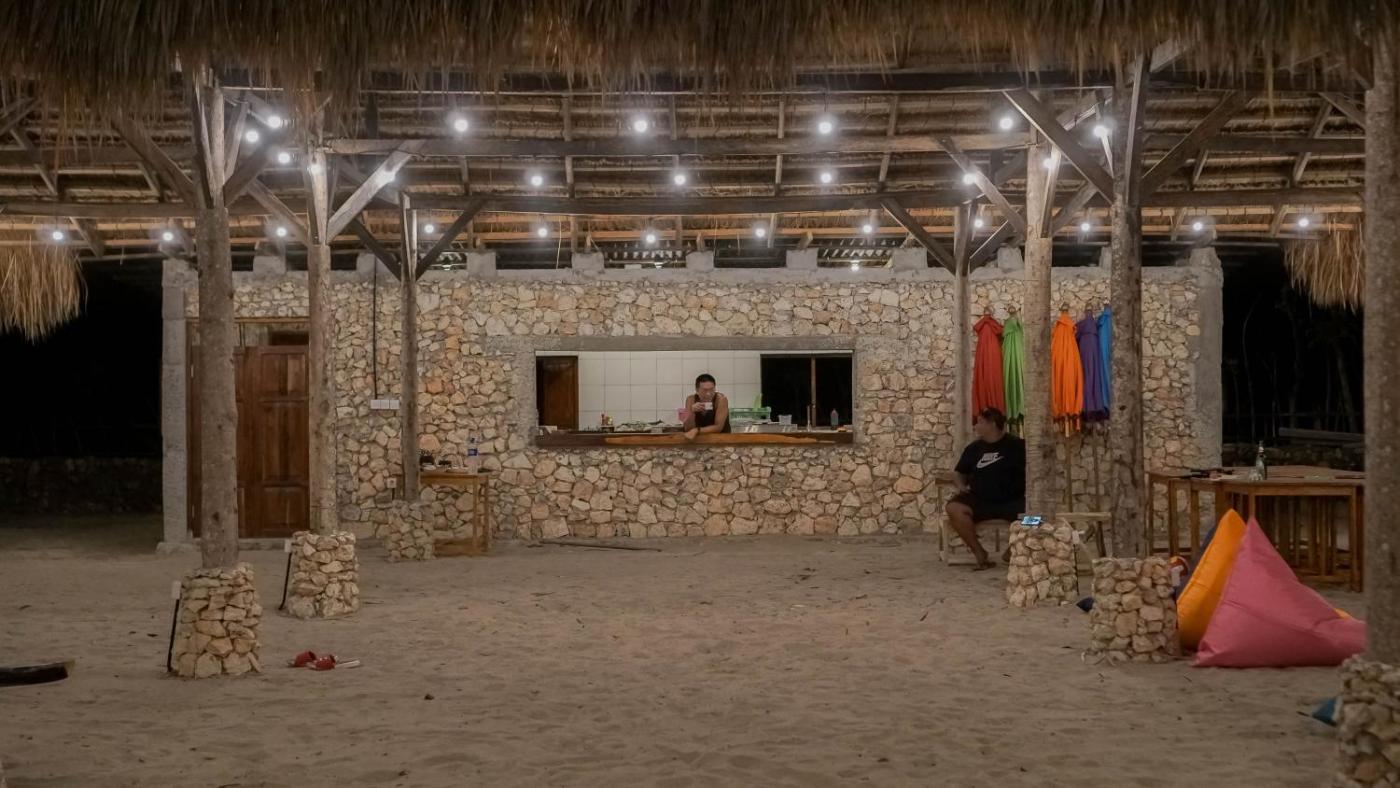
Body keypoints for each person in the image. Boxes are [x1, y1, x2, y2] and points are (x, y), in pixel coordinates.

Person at [945, 407, 1026, 570]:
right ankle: (979, 553)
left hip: (1012, 502)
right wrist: (961, 486)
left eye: (980, 422)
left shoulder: (1017, 446)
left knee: (1037, 517)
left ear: (992, 424)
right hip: (980, 500)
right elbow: (959, 472)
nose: (975, 426)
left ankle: (1013, 550)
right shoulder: (973, 449)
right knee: (953, 508)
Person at [683, 373, 729, 440]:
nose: (708, 394)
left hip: (721, 439)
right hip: (698, 441)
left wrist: (697, 430)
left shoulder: (720, 399)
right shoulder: (691, 400)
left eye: (712, 389)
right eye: (705, 390)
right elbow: (688, 428)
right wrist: (692, 412)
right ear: (697, 390)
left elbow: (718, 427)